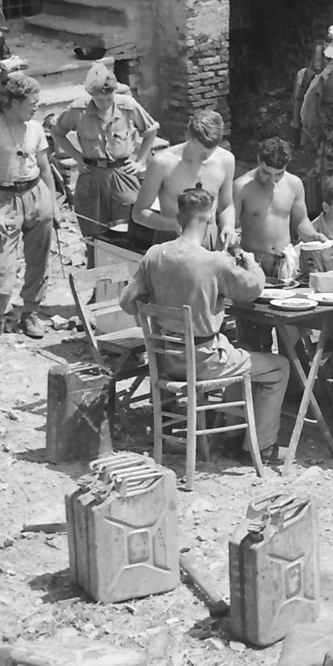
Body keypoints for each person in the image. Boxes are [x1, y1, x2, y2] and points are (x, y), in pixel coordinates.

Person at [120, 187, 290, 464]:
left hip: (166, 359)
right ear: (210, 219)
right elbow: (253, 290)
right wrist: (253, 264)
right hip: (204, 361)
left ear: (179, 217)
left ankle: (234, 438)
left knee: (242, 349)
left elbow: (128, 302)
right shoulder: (214, 261)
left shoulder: (154, 255)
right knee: (279, 367)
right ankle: (260, 446)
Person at [0, 74, 55, 343]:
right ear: (14, 102)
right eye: (32, 102)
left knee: (38, 259)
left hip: (35, 194)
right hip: (4, 198)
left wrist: (52, 204)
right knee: (0, 265)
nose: (36, 107)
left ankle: (30, 312)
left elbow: (44, 167)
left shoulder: (36, 128)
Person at [51, 63, 159, 249]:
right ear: (91, 95)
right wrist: (76, 157)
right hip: (92, 175)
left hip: (122, 173)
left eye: (109, 99)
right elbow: (57, 132)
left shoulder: (128, 106)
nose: (105, 104)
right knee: (94, 234)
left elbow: (151, 131)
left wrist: (140, 161)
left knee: (131, 229)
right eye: (100, 101)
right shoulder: (78, 110)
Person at [130, 108, 235, 250]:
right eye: (200, 150)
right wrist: (173, 224)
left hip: (209, 241)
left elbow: (226, 205)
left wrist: (228, 226)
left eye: (211, 150)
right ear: (188, 136)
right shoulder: (163, 163)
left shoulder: (226, 160)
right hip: (171, 239)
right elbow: (139, 213)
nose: (206, 156)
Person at [234, 137, 326, 279]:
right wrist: (237, 252)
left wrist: (314, 236)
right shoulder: (242, 187)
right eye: (266, 173)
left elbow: (300, 221)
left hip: (285, 261)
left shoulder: (294, 184)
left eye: (279, 174)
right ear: (259, 160)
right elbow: (228, 227)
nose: (272, 180)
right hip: (252, 261)